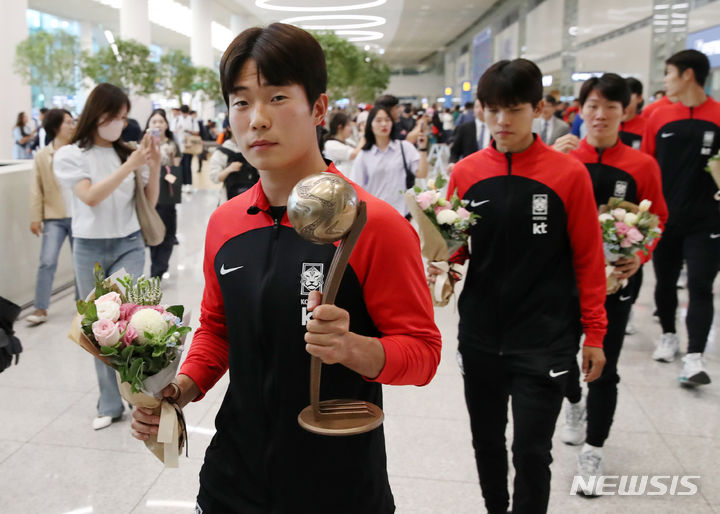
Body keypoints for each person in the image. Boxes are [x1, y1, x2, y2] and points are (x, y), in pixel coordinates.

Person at [130, 22, 442, 513]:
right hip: (232, 478)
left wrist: (355, 348)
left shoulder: (371, 224)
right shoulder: (226, 224)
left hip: (339, 483)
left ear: (318, 108)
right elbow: (217, 328)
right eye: (241, 101)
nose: (256, 119)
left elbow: (423, 354)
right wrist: (179, 389)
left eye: (276, 98)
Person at [432, 58, 607, 514]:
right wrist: (443, 264)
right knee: (486, 443)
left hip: (545, 339)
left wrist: (596, 334)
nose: (502, 121)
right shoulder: (467, 172)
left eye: (514, 110)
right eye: (492, 110)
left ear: (538, 109)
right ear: (481, 110)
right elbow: (458, 247)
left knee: (532, 452)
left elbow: (589, 259)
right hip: (481, 336)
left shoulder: (567, 175)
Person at [557, 74, 668, 493]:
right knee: (561, 358)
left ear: (626, 112)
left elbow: (659, 219)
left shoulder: (642, 166)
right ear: (579, 109)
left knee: (605, 366)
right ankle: (572, 404)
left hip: (615, 286)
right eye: (592, 106)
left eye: (611, 108)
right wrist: (548, 157)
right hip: (562, 282)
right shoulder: (565, 158)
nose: (600, 115)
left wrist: (638, 257)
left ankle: (595, 450)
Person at [54, 83, 161, 430]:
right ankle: (109, 402)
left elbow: (149, 200)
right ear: (98, 116)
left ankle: (137, 397)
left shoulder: (126, 152)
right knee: (100, 329)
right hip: (90, 247)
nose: (121, 124)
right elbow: (90, 197)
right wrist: (130, 164)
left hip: (129, 242)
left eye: (125, 118)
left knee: (132, 322)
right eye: (117, 117)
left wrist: (153, 165)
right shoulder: (71, 154)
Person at [642, 49, 720, 386]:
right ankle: (669, 334)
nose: (665, 81)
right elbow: (645, 165)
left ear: (688, 74)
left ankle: (694, 357)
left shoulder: (718, 114)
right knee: (664, 281)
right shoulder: (656, 115)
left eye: (669, 73)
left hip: (708, 220)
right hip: (665, 218)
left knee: (701, 285)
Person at [27, 109, 77, 326]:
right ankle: (40, 308)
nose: (72, 125)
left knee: (82, 264)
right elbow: (36, 189)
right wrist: (35, 217)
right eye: (67, 122)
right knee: (47, 261)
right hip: (54, 217)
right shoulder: (42, 156)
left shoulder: (80, 150)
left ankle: (84, 306)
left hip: (81, 217)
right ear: (55, 126)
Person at [350, 105, 429, 217]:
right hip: (376, 216)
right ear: (370, 125)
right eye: (378, 120)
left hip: (402, 214)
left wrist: (423, 149)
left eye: (387, 120)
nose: (384, 124)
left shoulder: (404, 147)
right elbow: (357, 189)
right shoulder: (364, 155)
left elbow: (421, 173)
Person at [145, 109, 182, 279]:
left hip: (167, 195)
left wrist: (163, 172)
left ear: (166, 125)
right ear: (149, 125)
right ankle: (155, 267)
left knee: (167, 233)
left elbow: (176, 174)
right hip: (149, 196)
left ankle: (159, 269)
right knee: (153, 232)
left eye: (161, 121)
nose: (158, 125)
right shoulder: (144, 145)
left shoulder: (172, 146)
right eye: (154, 122)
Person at [208, 125, 259, 203]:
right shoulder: (222, 152)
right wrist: (229, 169)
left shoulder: (256, 148)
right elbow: (215, 178)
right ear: (229, 128)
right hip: (230, 198)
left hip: (255, 199)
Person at [448, 99, 488, 170]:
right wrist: (452, 163)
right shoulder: (464, 128)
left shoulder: (496, 129)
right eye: (476, 107)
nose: (479, 110)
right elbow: (455, 151)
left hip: (490, 171)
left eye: (482, 107)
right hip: (469, 170)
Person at [172, 104, 200, 192]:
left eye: (186, 113)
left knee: (187, 165)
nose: (184, 115)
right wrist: (178, 129)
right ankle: (181, 184)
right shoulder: (176, 120)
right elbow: (172, 132)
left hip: (188, 146)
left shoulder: (192, 120)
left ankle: (188, 184)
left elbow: (197, 132)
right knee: (179, 165)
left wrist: (188, 131)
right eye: (183, 113)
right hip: (178, 146)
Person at [618, 77, 646, 150]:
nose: (623, 102)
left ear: (639, 98)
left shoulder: (647, 127)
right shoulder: (608, 125)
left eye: (627, 97)